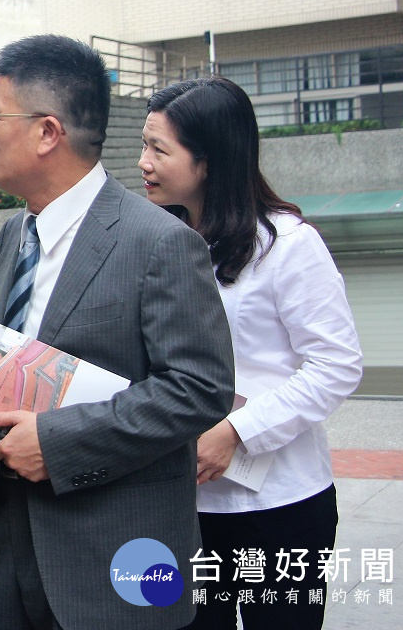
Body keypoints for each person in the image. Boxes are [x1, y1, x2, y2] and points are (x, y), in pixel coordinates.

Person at [0, 34, 235, 630]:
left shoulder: (158, 242)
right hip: (4, 555)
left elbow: (199, 390)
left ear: (48, 132)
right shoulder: (13, 236)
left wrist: (56, 442)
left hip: (110, 559)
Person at [139, 77, 363, 629]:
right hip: (182, 509)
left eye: (159, 149)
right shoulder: (157, 243)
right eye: (143, 145)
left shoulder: (288, 246)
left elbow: (337, 365)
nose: (143, 162)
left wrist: (237, 432)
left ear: (210, 160)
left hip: (281, 511)